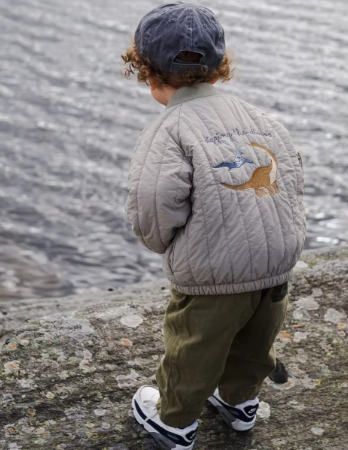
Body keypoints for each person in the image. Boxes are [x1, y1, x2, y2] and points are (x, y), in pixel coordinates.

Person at [123, 3, 306, 449]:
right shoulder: (263, 119)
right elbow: (294, 179)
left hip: (215, 272)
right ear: (220, 66)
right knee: (255, 342)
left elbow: (152, 205)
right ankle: (241, 403)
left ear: (146, 71)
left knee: (194, 346)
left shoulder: (170, 130)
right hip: (277, 261)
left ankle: (174, 420)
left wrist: (163, 243)